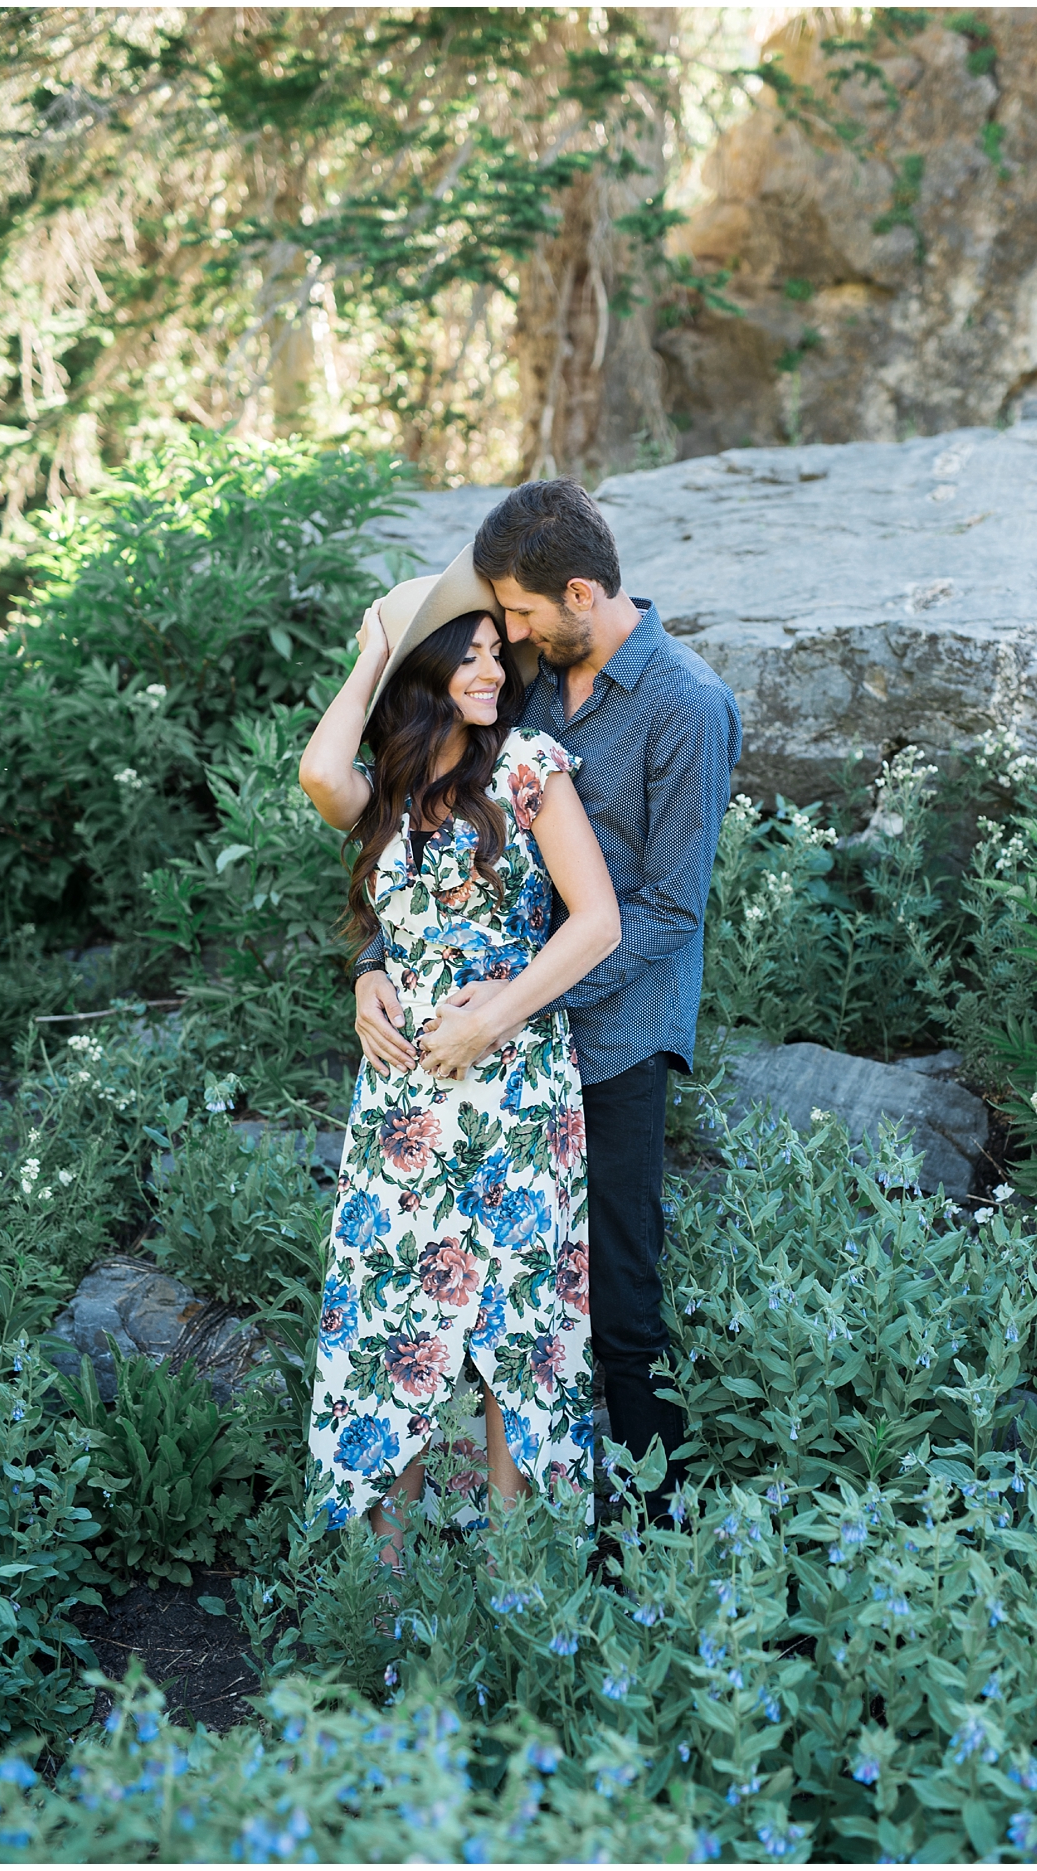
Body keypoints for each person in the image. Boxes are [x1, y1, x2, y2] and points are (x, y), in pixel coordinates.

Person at [354, 481, 743, 1532]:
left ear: (580, 591)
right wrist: (375, 960)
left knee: (615, 1303)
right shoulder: (528, 681)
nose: (507, 636)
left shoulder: (685, 704)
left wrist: (519, 999)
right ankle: (510, 1542)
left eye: (520, 614)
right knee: (486, 1300)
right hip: (491, 1059)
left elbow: (665, 908)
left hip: (609, 1042)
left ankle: (643, 1554)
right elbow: (431, 832)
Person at [297, 544, 620, 1568]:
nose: (491, 671)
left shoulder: (525, 764)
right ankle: (385, 1611)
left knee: (517, 1335)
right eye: (468, 656)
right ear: (422, 676)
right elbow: (318, 774)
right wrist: (374, 652)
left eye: (496, 652)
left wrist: (498, 1013)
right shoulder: (387, 796)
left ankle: (520, 1595)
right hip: (400, 1107)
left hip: (516, 1088)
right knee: (390, 1327)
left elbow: (597, 921)